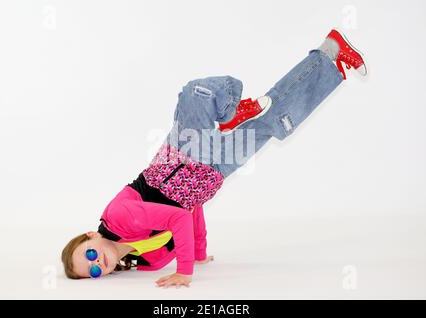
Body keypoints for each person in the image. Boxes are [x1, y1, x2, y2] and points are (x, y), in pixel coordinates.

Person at [61, 29, 367, 288]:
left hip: (182, 159)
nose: (97, 262)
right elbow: (190, 210)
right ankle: (332, 58)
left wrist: (184, 270)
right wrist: (198, 251)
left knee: (196, 92)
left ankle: (229, 112)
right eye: (95, 271)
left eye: (89, 255)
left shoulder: (119, 219)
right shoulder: (144, 261)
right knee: (274, 120)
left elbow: (177, 216)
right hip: (213, 173)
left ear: (90, 236)